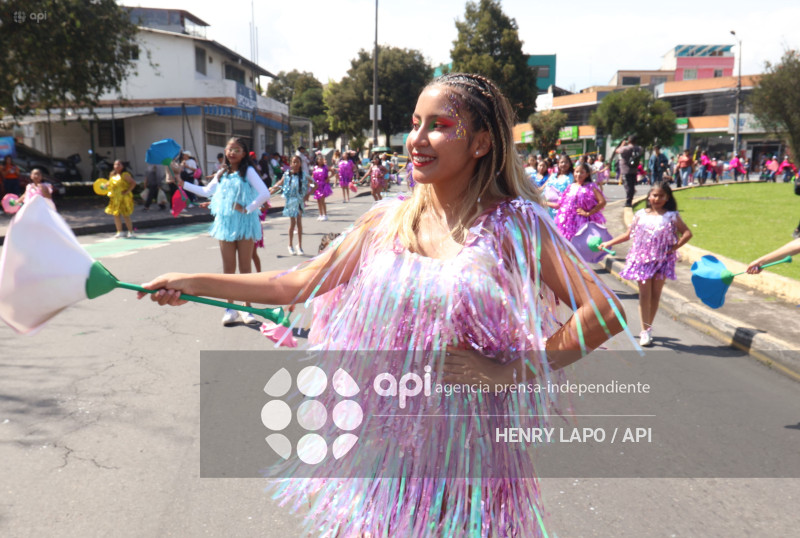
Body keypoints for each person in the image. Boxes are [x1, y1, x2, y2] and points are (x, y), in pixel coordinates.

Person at [139, 73, 627, 537]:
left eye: (439, 126)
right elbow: (296, 284)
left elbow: (604, 311)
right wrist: (191, 280)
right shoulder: (387, 223)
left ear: (481, 143)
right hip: (385, 439)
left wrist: (511, 371)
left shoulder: (514, 224)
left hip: (466, 448)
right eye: (415, 123)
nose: (417, 138)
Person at [177, 137, 271, 326]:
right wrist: (182, 183)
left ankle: (247, 308)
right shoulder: (222, 172)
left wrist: (247, 208)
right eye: (230, 149)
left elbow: (265, 193)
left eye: (237, 149)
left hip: (244, 224)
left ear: (244, 153)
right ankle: (230, 308)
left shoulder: (249, 171)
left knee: (245, 269)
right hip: (226, 225)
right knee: (228, 269)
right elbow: (206, 191)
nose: (232, 153)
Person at [601, 181, 692, 347]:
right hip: (641, 260)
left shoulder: (671, 216)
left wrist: (674, 248)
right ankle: (644, 330)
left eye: (661, 196)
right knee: (644, 294)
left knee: (655, 295)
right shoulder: (640, 214)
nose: (657, 198)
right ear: (649, 196)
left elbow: (687, 233)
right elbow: (629, 234)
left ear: (667, 198)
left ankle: (649, 327)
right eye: (654, 195)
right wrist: (609, 243)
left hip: (662, 261)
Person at [553, 162, 607, 240]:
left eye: (582, 172)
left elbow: (602, 202)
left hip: (582, 222)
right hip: (567, 222)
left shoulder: (591, 186)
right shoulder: (570, 186)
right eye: (576, 172)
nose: (578, 174)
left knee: (579, 244)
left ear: (587, 174)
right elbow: (561, 204)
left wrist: (588, 213)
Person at [269, 155, 309, 255]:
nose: (295, 164)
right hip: (290, 201)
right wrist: (272, 189)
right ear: (290, 164)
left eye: (297, 162)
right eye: (293, 162)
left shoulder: (303, 175)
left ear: (300, 164)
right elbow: (280, 183)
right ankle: (290, 245)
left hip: (299, 201)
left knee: (299, 222)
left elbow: (313, 184)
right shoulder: (287, 174)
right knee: (292, 223)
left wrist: (307, 195)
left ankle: (299, 245)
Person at [104, 160, 137, 238]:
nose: (116, 166)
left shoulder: (125, 175)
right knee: (116, 215)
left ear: (123, 166)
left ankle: (130, 232)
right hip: (115, 197)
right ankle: (119, 231)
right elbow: (109, 183)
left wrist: (127, 191)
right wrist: (103, 186)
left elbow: (133, 183)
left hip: (123, 197)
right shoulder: (112, 175)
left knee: (125, 214)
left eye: (119, 164)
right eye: (115, 164)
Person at [541, 154, 574, 219]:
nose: (564, 164)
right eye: (562, 162)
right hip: (548, 209)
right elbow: (543, 188)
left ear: (570, 164)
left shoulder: (572, 177)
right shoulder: (553, 175)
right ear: (558, 163)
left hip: (563, 210)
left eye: (566, 162)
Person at [615, 135, 643, 207]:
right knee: (631, 185)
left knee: (627, 186)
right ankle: (630, 198)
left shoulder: (625, 148)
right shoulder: (639, 148)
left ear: (629, 141)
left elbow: (617, 151)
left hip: (625, 169)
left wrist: (622, 144)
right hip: (634, 169)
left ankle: (628, 202)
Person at [311, 153, 332, 221]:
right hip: (317, 185)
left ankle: (325, 214)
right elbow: (312, 176)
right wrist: (311, 182)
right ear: (317, 160)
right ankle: (320, 214)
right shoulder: (315, 168)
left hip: (323, 185)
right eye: (319, 159)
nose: (320, 161)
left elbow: (333, 172)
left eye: (321, 159)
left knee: (322, 200)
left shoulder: (325, 167)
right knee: (318, 200)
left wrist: (328, 178)